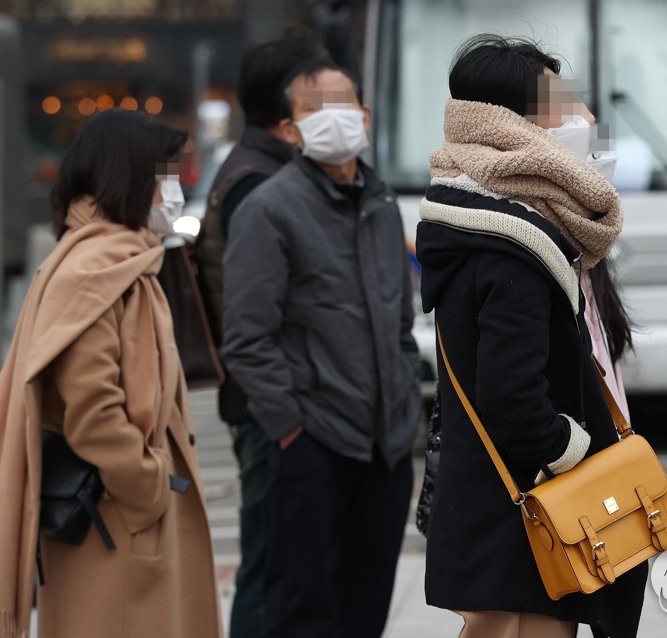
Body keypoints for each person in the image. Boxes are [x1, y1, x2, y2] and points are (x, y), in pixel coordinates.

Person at [416, 34, 646, 638]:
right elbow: (512, 392)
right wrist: (567, 447)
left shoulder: (499, 223)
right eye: (560, 103)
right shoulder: (512, 245)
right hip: (522, 517)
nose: (582, 120)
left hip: (506, 512)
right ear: (507, 122)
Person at [0, 109, 220, 638]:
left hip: (124, 525)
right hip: (115, 529)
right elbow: (93, 410)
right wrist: (145, 487)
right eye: (164, 173)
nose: (172, 189)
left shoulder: (124, 261)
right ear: (128, 176)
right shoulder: (94, 270)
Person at [221, 59, 419, 638]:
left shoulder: (380, 203)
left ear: (365, 115)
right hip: (312, 445)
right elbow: (247, 336)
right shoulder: (269, 209)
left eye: (345, 105)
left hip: (384, 446)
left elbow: (399, 320)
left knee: (366, 607)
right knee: (304, 612)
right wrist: (290, 428)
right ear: (291, 128)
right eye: (317, 107)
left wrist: (405, 405)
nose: (336, 118)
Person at [194, 31, 322, 638]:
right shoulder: (257, 183)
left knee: (284, 565)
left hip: (277, 403)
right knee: (271, 570)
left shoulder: (265, 170)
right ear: (288, 103)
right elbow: (256, 319)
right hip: (274, 408)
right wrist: (289, 419)